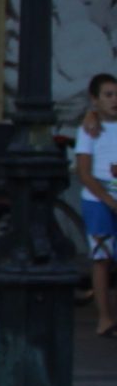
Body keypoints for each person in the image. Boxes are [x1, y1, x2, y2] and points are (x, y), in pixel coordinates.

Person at [77, 73, 117, 340]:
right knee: (101, 258)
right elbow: (84, 172)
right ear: (95, 99)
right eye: (108, 95)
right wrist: (108, 200)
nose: (114, 100)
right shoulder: (89, 129)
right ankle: (104, 317)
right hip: (98, 201)